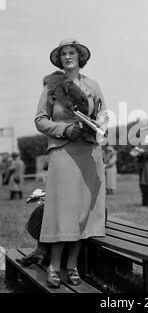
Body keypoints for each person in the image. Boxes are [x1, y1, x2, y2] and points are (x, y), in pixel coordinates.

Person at [35, 38, 109, 288]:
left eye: (72, 53)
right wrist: (65, 130)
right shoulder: (52, 85)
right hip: (64, 152)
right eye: (63, 54)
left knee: (82, 213)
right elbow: (40, 120)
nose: (68, 57)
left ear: (80, 58)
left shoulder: (93, 84)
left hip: (89, 153)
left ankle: (72, 265)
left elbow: (104, 114)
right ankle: (54, 265)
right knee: (62, 211)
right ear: (59, 59)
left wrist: (101, 123)